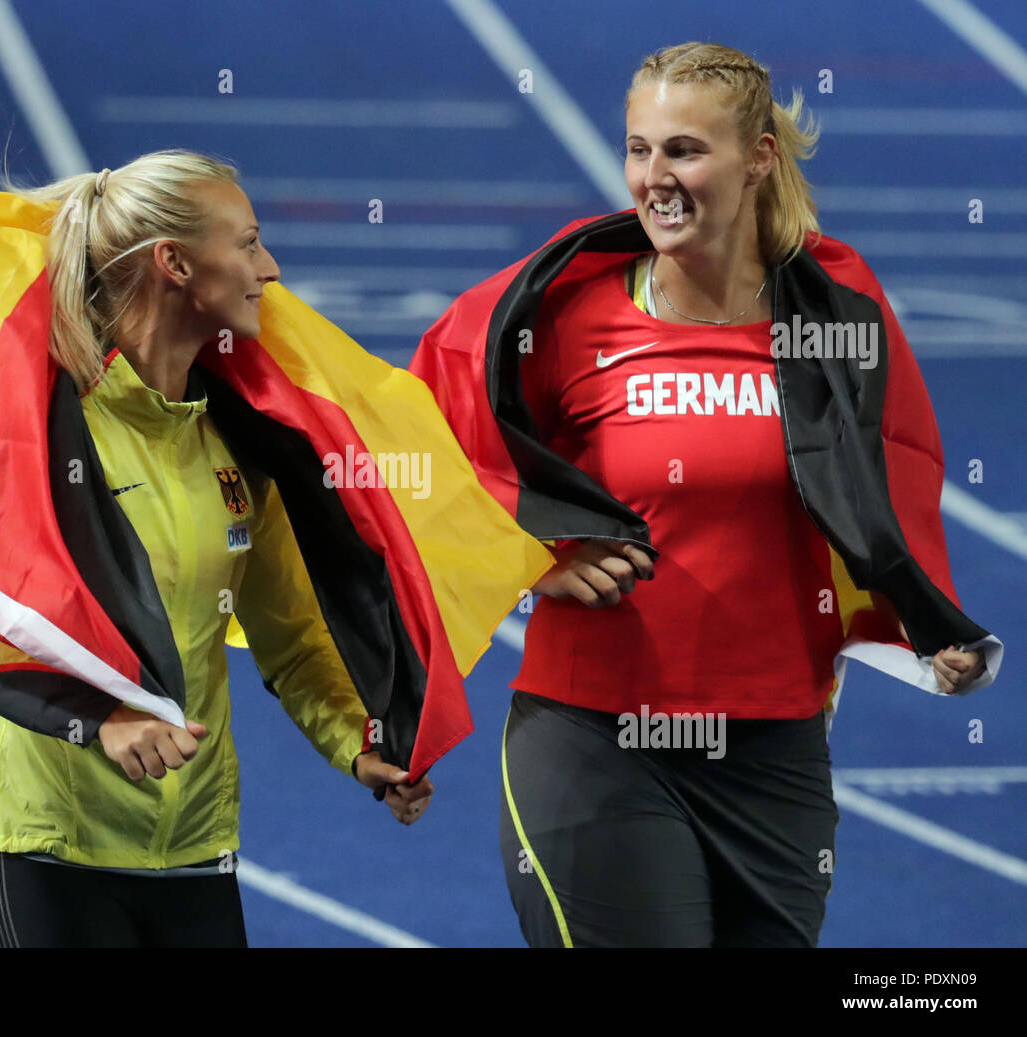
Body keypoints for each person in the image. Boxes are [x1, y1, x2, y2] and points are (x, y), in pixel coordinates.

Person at [409, 42, 1002, 948]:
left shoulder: (835, 314)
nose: (655, 178)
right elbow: (424, 445)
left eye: (684, 150)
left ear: (760, 157)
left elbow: (891, 479)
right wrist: (535, 553)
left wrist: (923, 624)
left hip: (776, 749)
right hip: (597, 740)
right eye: (638, 150)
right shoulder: (561, 310)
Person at [0, 151, 435, 947]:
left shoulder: (234, 437)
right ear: (175, 263)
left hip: (194, 845)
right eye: (249, 243)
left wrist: (361, 743)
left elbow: (290, 633)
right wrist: (99, 717)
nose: (269, 267)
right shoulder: (43, 429)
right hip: (47, 841)